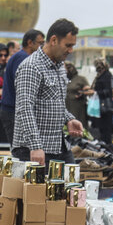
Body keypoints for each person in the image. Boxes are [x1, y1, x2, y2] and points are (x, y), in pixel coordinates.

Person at [13, 18, 83, 165]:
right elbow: (24, 108)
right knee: (39, 189)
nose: (71, 50)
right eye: (68, 45)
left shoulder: (59, 66)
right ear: (53, 40)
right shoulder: (31, 67)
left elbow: (55, 101)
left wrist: (69, 119)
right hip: (33, 150)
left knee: (71, 185)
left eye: (73, 46)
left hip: (58, 145)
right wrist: (36, 146)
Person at [0, 29, 44, 145]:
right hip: (12, 110)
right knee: (21, 150)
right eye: (40, 43)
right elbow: (22, 86)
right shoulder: (23, 58)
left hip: (13, 109)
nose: (42, 47)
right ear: (30, 43)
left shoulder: (22, 56)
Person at [90, 57, 113, 145]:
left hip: (105, 106)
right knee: (100, 127)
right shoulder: (99, 75)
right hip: (99, 105)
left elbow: (108, 91)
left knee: (106, 127)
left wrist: (95, 92)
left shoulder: (107, 76)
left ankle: (107, 145)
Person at [64, 61, 91, 127]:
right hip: (66, 106)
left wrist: (82, 93)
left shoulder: (81, 79)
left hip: (78, 107)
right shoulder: (64, 79)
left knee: (79, 124)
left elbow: (88, 90)